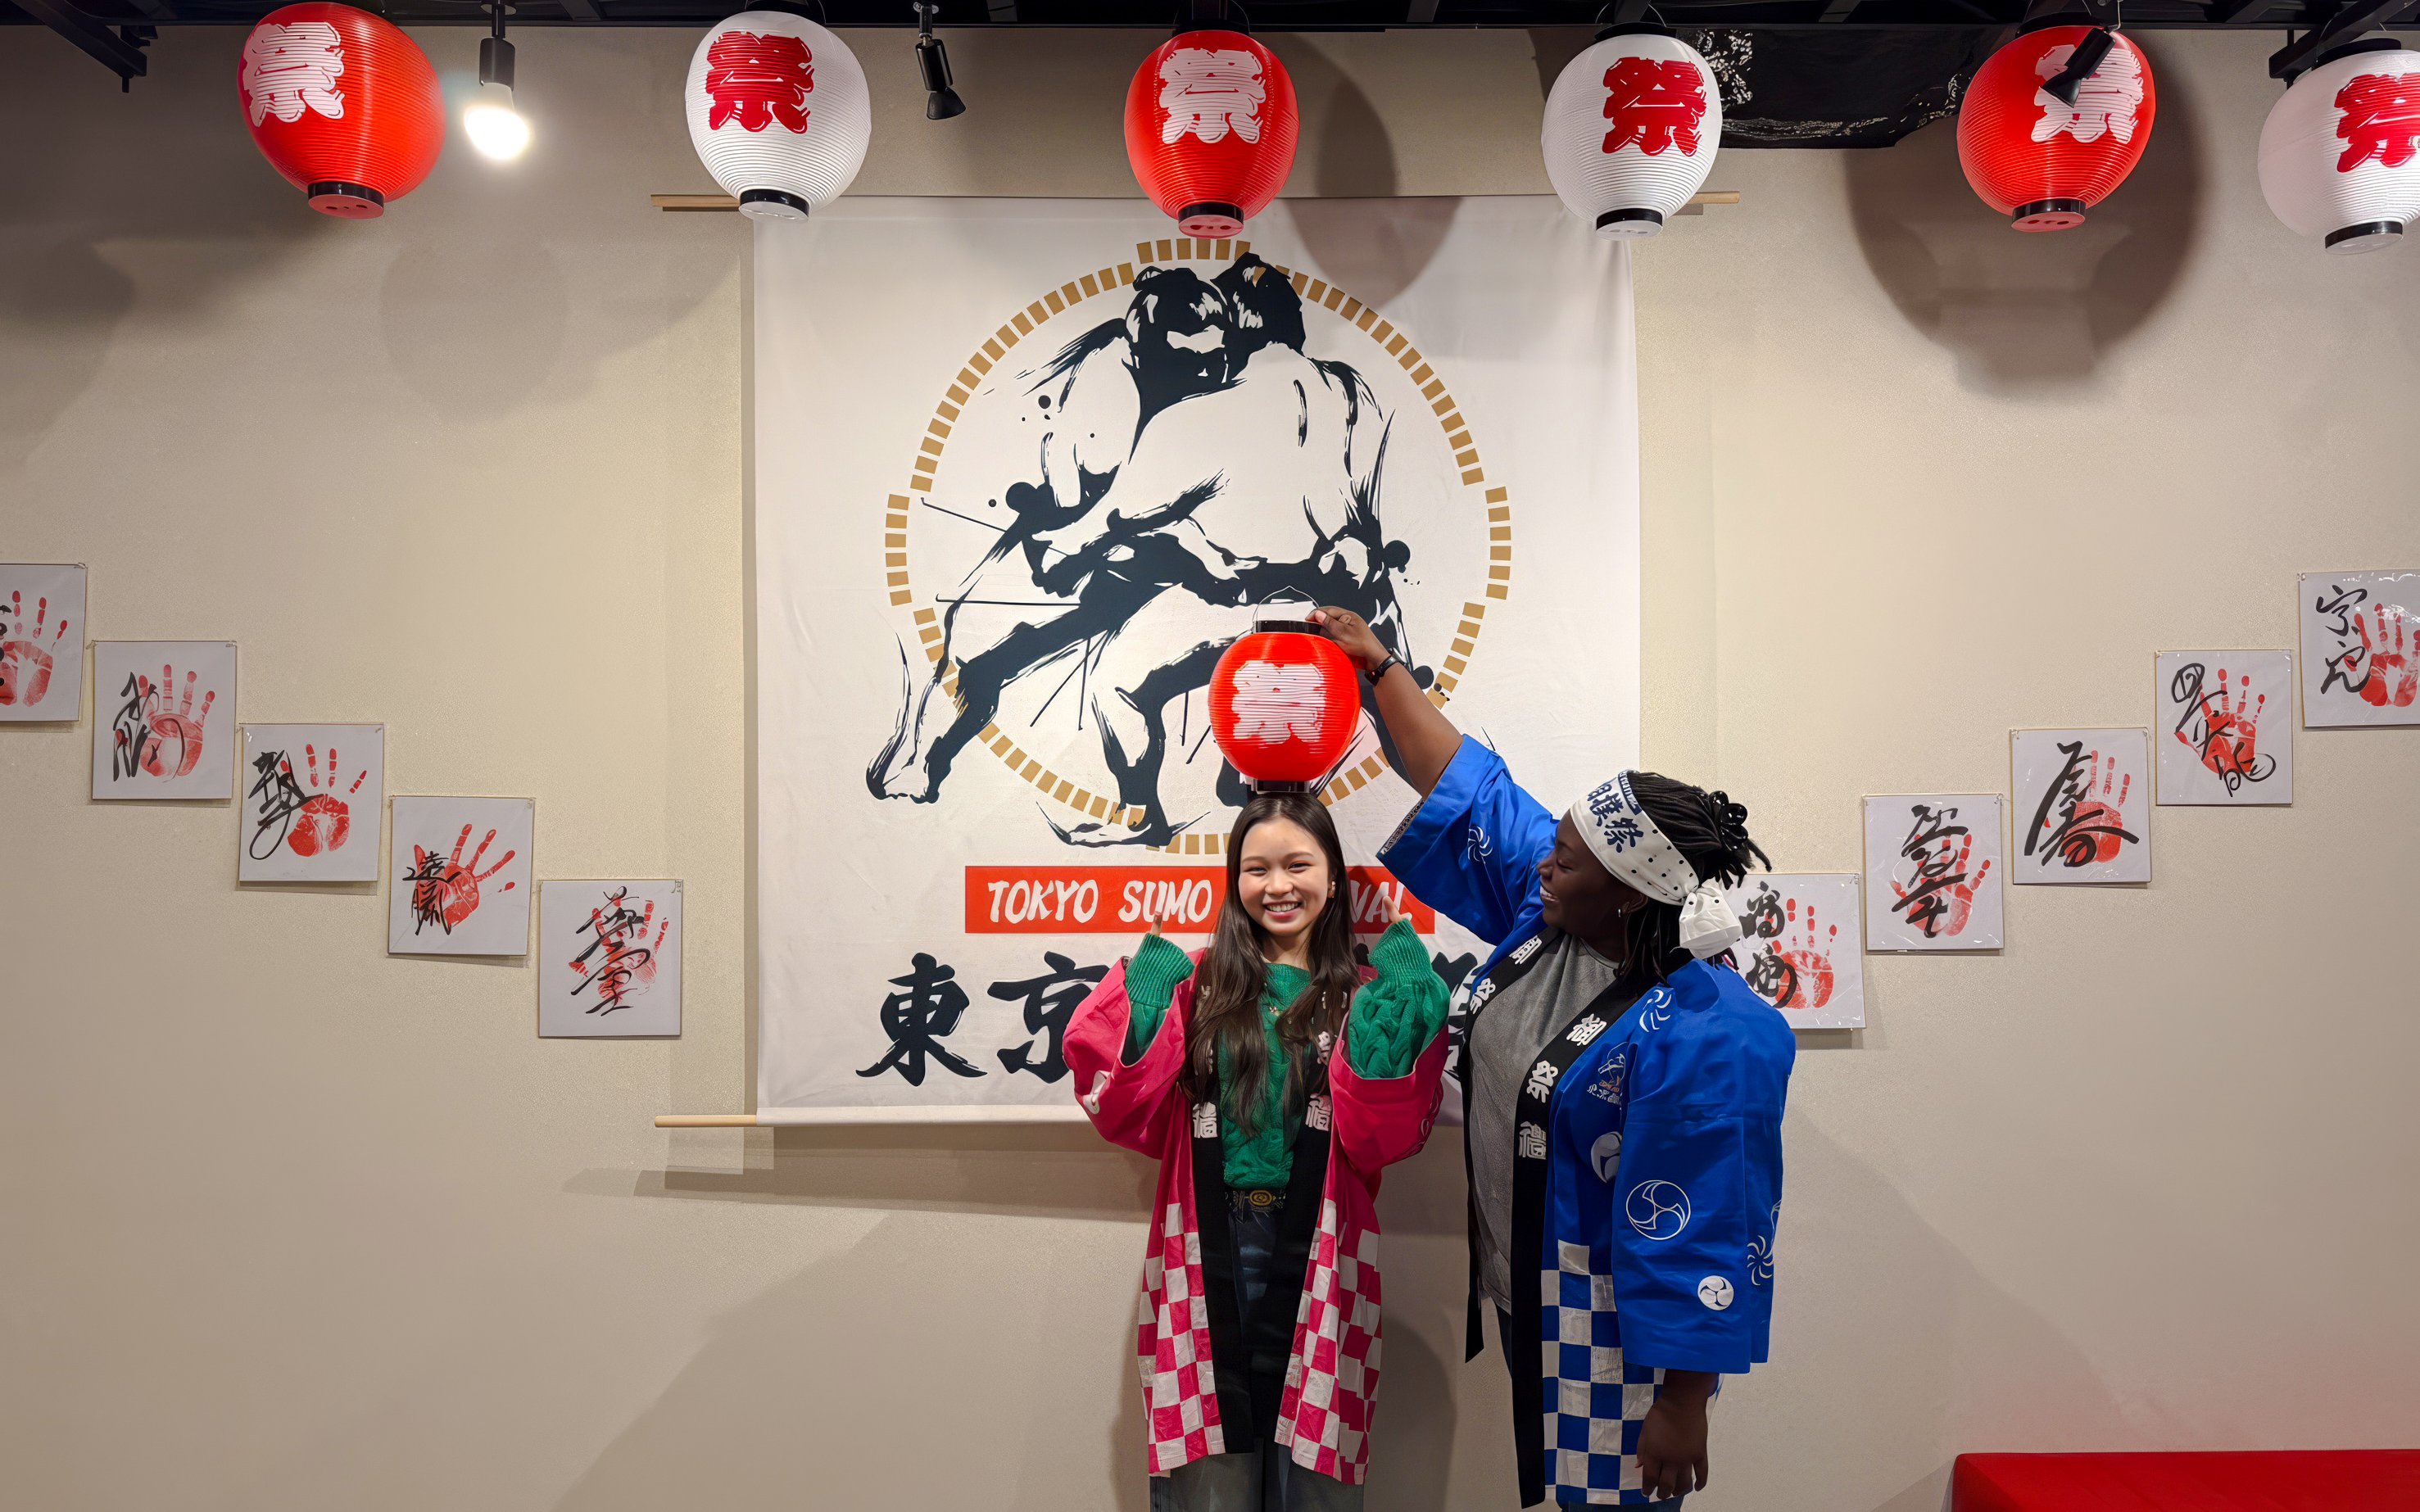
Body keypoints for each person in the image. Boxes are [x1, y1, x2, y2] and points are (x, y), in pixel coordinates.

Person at [1311, 605, 1797, 1510]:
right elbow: (1468, 785)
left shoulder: (1707, 1031)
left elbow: (1707, 1217)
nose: (1544, 866)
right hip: (1525, 1282)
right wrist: (1375, 664)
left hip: (1619, 1320)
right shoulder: (1558, 915)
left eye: (1565, 861)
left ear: (1630, 894)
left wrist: (1681, 1403)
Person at [1067, 792, 1452, 1510]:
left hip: (1327, 1250)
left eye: (1298, 864)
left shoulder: (1363, 997)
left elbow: (1384, 1136)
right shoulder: (1198, 986)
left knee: (1318, 1475)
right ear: (1234, 881)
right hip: (1204, 1250)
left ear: (1334, 877)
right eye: (1256, 869)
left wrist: (1405, 1003)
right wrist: (1149, 1001)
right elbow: (1126, 1112)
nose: (1278, 886)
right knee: (1208, 1472)